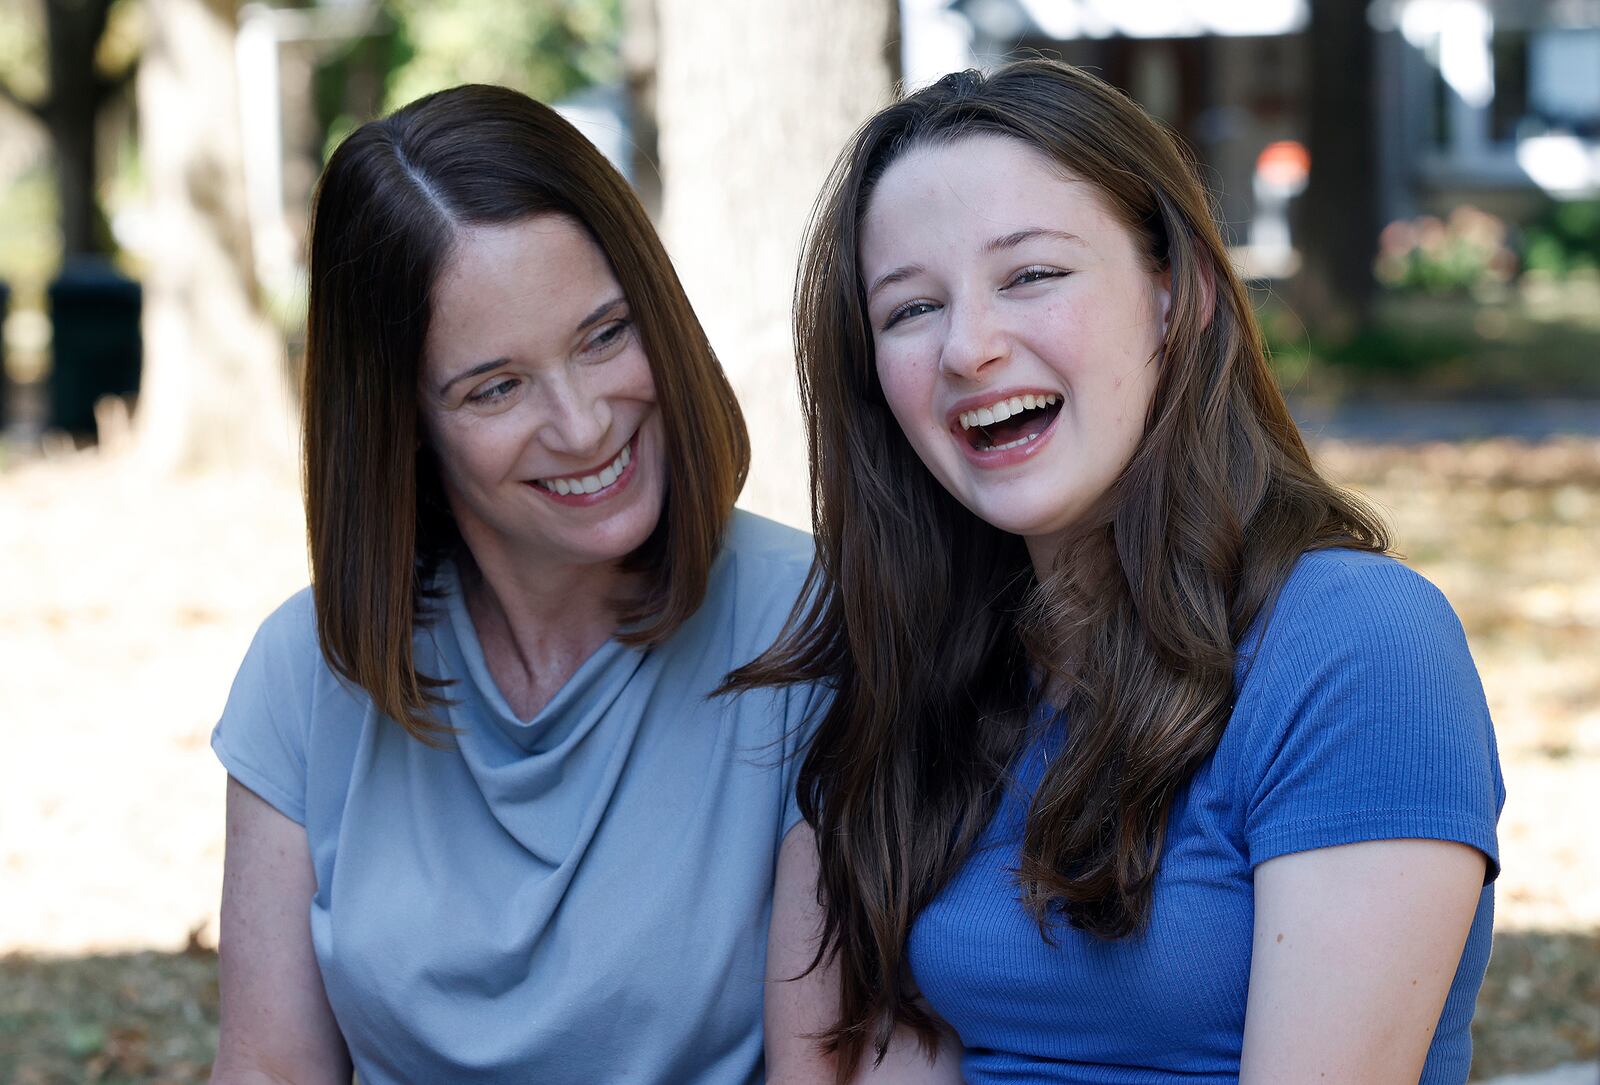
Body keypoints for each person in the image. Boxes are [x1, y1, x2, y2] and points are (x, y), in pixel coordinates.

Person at [733, 60, 1504, 1084]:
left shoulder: (1356, 643)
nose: (968, 345)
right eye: (909, 309)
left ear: (1173, 293)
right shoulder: (915, 668)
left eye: (1033, 274)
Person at [209, 84, 821, 1085]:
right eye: (495, 386)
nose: (582, 424)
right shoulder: (306, 669)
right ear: (400, 419)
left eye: (605, 335)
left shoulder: (813, 631)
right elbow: (270, 1066)